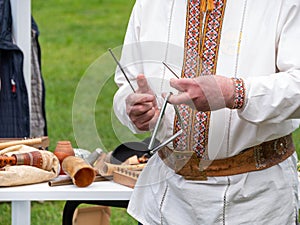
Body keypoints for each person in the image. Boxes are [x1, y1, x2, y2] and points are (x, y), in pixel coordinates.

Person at [113, 0, 300, 224]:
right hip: (166, 198)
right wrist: (134, 109)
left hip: (256, 201)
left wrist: (235, 92)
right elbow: (127, 85)